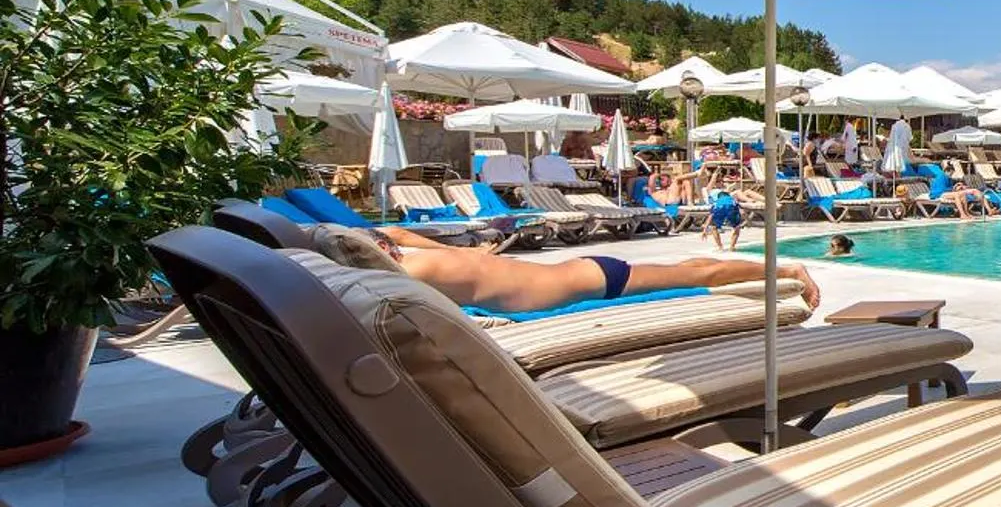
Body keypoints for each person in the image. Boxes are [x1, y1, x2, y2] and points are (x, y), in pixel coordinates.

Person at [343, 226, 821, 316]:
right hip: (579, 271)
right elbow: (396, 235)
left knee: (698, 272)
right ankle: (782, 267)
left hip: (593, 279)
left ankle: (787, 269)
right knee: (694, 266)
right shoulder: (417, 255)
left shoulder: (413, 272)